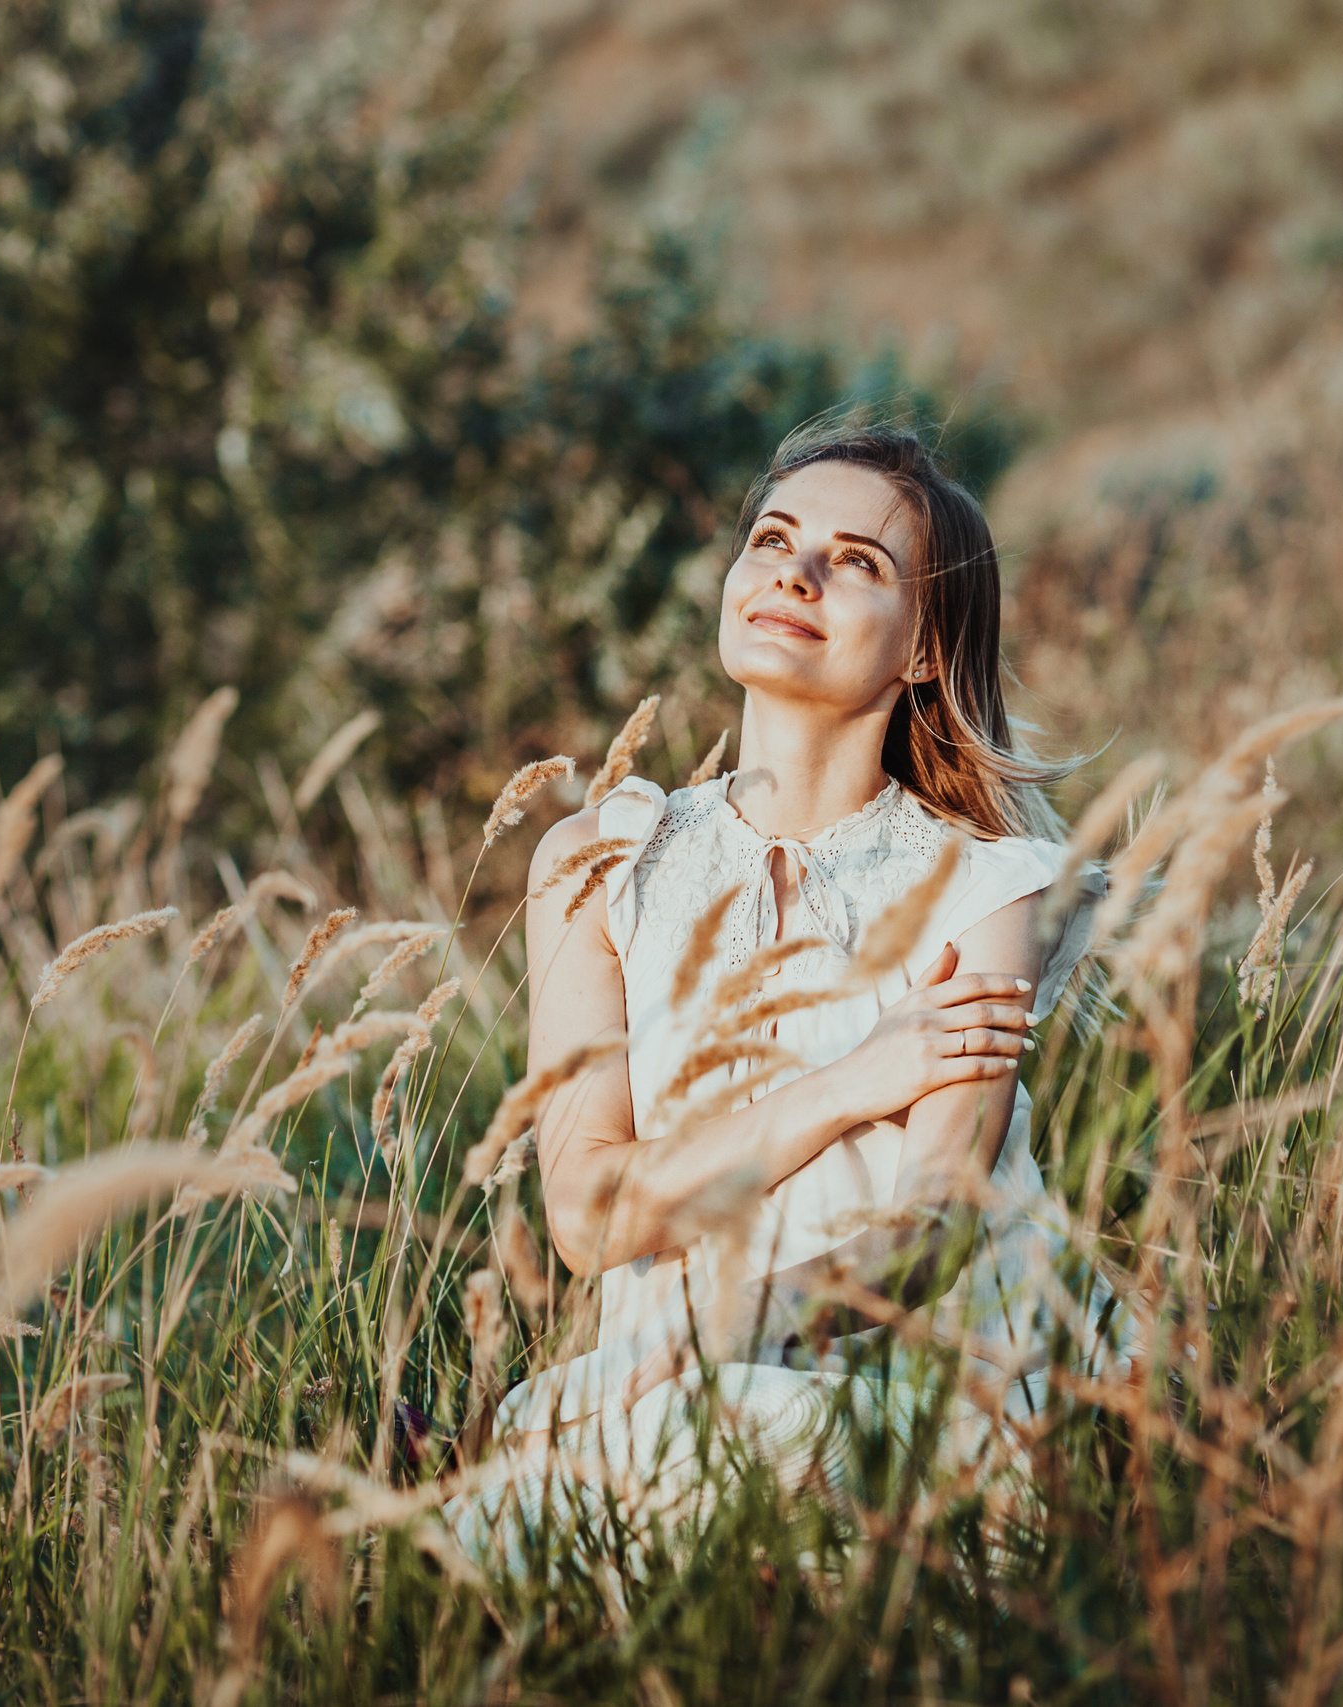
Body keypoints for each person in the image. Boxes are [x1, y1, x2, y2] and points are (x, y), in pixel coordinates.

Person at [450, 417, 1134, 1572]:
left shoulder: (981, 888)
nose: (794, 573)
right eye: (773, 538)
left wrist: (723, 1330)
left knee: (574, 1495)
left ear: (923, 648)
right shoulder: (596, 861)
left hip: (898, 1400)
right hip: (657, 1393)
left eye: (857, 562)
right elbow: (588, 1214)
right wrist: (854, 1082)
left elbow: (931, 1233)